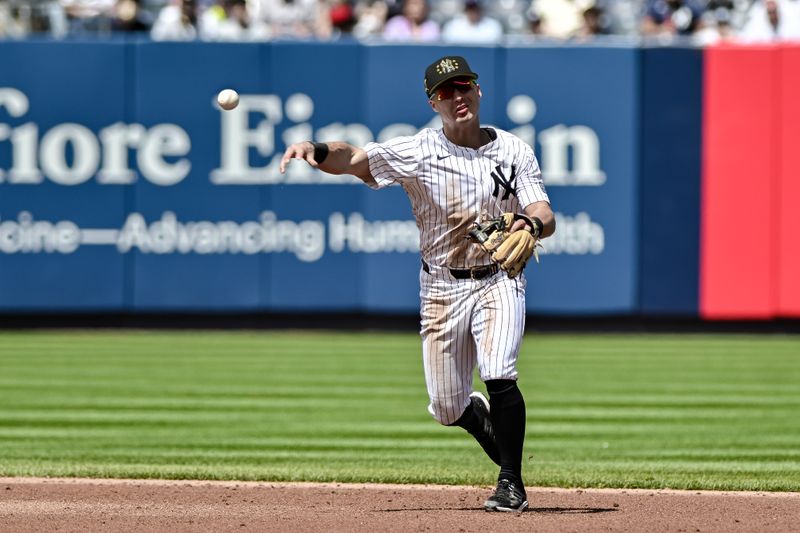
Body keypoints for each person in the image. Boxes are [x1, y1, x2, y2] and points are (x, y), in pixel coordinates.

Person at [280, 55, 555, 513]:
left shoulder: (514, 150)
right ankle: (477, 419)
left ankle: (511, 482)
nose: (457, 97)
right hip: (442, 288)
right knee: (447, 407)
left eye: (463, 86)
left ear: (478, 90)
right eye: (446, 92)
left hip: (499, 279)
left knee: (499, 371)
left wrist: (528, 222)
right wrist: (315, 148)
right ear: (434, 102)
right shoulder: (419, 151)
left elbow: (544, 213)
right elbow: (357, 159)